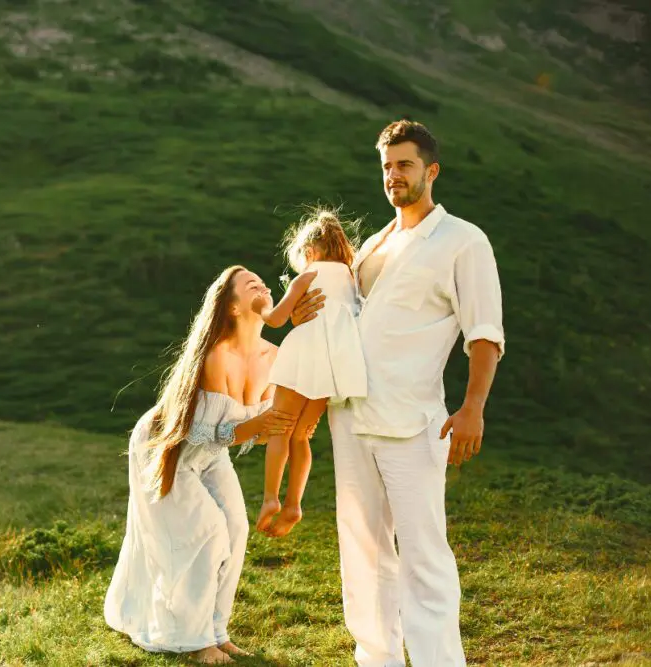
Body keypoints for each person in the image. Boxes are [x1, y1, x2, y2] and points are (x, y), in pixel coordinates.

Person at [291, 120, 505, 666]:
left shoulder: (462, 240)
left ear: (431, 171)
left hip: (414, 423)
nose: (394, 175)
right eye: (387, 166)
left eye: (405, 164)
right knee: (362, 553)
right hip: (351, 417)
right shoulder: (373, 245)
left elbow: (484, 333)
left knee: (424, 556)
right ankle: (376, 658)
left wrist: (473, 406)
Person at [104, 265, 301, 664]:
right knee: (209, 532)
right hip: (167, 448)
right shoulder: (216, 356)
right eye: (251, 285)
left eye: (264, 283)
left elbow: (254, 432)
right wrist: (257, 426)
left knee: (236, 528)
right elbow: (200, 434)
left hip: (211, 454)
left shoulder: (274, 356)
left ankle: (216, 630)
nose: (263, 286)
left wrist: (284, 428)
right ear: (231, 307)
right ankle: (195, 641)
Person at [252, 208, 368, 538]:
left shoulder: (308, 275)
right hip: (332, 365)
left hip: (303, 354)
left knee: (280, 426)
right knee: (301, 434)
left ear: (310, 251)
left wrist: (260, 305)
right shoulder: (351, 277)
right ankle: (294, 504)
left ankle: (271, 498)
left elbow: (275, 319)